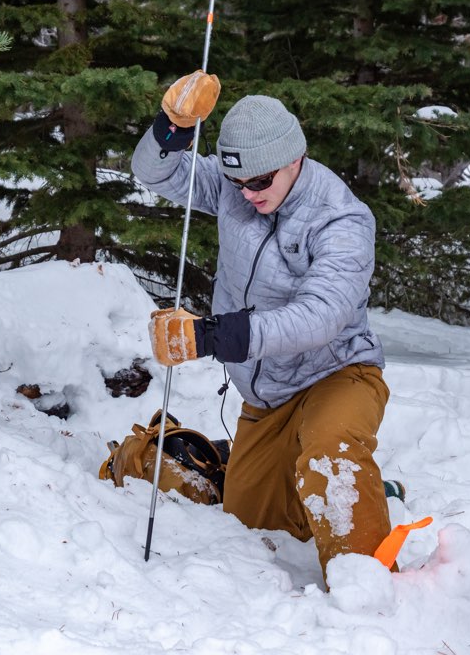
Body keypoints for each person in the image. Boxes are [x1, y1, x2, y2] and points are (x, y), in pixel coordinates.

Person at [132, 71, 392, 578]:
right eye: (235, 182)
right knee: (249, 521)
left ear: (294, 158)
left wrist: (209, 335)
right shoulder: (239, 189)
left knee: (330, 453)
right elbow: (156, 174)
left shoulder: (341, 220)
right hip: (267, 395)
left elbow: (321, 316)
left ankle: (371, 590)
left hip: (337, 374)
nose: (246, 194)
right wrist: (173, 127)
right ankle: (312, 485)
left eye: (258, 181)